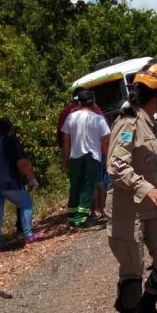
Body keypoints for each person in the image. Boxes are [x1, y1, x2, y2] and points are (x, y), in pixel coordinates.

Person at [106, 61, 157, 313]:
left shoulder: (153, 124)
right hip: (129, 210)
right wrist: (145, 188)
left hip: (153, 208)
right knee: (132, 276)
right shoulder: (128, 123)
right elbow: (116, 166)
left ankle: (147, 305)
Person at [0, 118, 45, 256]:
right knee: (26, 203)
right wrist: (32, 179)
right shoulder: (11, 142)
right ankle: (29, 235)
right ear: (9, 129)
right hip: (9, 183)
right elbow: (22, 163)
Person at [57, 87, 107, 223]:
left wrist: (65, 159)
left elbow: (65, 141)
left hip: (76, 156)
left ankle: (86, 214)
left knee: (81, 185)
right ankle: (99, 211)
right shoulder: (98, 116)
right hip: (95, 155)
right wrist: (107, 156)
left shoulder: (69, 116)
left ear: (79, 102)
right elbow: (105, 140)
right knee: (97, 183)